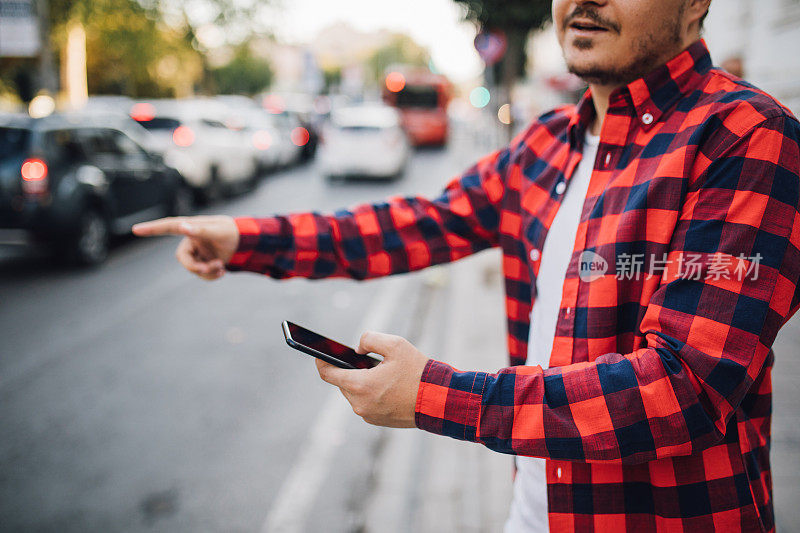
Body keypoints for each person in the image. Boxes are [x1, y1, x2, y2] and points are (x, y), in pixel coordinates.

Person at [133, 0, 800, 530]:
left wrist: (432, 394)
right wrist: (243, 238)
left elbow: (683, 388)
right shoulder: (545, 145)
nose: (583, 2)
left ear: (696, 3)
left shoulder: (745, 138)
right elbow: (411, 225)